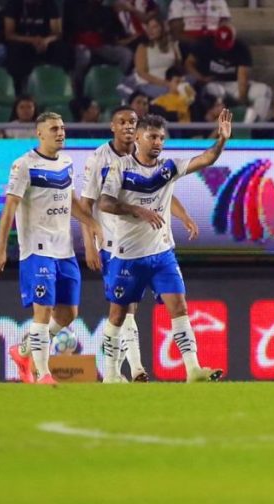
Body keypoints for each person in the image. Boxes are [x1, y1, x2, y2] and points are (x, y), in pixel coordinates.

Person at [97, 112, 230, 383]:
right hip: (127, 256)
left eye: (161, 138)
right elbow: (105, 203)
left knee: (179, 307)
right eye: (152, 136)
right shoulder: (120, 168)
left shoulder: (168, 167)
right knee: (117, 315)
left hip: (161, 254)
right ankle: (110, 374)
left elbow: (205, 159)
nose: (158, 142)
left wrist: (222, 141)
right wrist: (137, 209)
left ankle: (193, 369)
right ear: (137, 137)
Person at [78, 106, 199, 382]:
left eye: (133, 122)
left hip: (152, 242)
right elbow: (87, 203)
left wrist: (183, 216)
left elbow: (162, 190)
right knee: (124, 308)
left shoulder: (146, 154)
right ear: (112, 126)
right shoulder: (99, 159)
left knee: (133, 307)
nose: (128, 127)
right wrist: (88, 243)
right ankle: (129, 369)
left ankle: (134, 369)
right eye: (122, 122)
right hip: (113, 243)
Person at [0, 111, 102, 385]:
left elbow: (70, 199)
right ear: (39, 134)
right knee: (43, 311)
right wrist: (0, 248)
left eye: (62, 128)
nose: (60, 132)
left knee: (68, 314)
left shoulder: (66, 162)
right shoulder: (23, 165)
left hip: (64, 249)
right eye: (54, 129)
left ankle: (23, 351)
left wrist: (93, 224)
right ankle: (43, 373)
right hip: (37, 249)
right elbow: (10, 208)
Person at [186, 25, 271, 122]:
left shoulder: (241, 48)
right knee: (216, 90)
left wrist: (242, 99)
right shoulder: (205, 43)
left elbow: (242, 76)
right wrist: (201, 78)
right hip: (212, 84)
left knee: (265, 91)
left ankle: (254, 126)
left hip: (234, 85)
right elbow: (189, 63)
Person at [64, 0, 135, 92]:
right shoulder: (73, 6)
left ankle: (116, 83)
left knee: (126, 54)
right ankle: (78, 86)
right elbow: (68, 31)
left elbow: (115, 33)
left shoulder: (106, 10)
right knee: (85, 55)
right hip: (80, 44)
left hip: (101, 45)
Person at [3, 0, 71, 93]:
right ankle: (18, 88)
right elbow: (9, 34)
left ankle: (58, 82)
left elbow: (57, 33)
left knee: (61, 48)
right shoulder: (13, 3)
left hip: (45, 42)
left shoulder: (50, 4)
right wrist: (31, 40)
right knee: (14, 49)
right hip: (23, 41)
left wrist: (46, 40)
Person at [121, 15, 183, 100]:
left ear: (162, 28)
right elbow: (142, 73)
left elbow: (177, 68)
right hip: (148, 83)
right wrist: (166, 84)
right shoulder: (143, 47)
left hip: (169, 82)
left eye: (154, 27)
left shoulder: (172, 45)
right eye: (148, 27)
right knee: (169, 93)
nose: (150, 31)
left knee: (189, 84)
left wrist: (175, 81)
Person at [166, 0, 230, 46]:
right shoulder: (177, 2)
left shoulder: (220, 1)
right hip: (189, 44)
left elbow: (224, 30)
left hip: (214, 43)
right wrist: (200, 44)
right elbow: (177, 34)